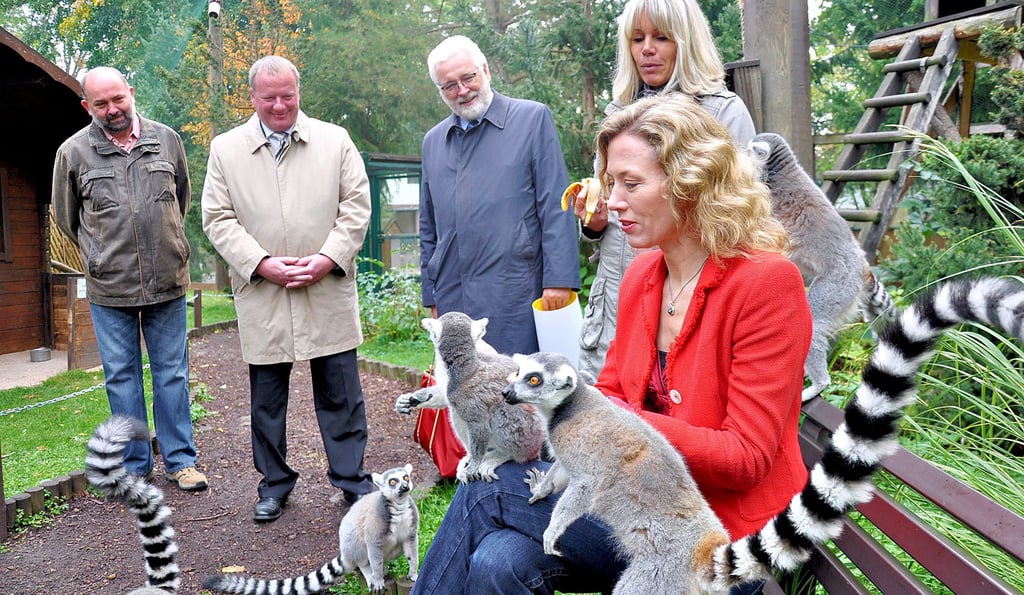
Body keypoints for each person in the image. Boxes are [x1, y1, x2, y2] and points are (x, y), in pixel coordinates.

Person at [412, 95, 812, 595]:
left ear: (691, 184)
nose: (612, 201)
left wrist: (609, 419)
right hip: (636, 508)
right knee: (498, 561)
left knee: (483, 498)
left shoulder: (766, 283)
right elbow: (606, 392)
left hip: (721, 542)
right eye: (611, 182)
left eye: (631, 183)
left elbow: (746, 458)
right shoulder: (645, 272)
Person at [201, 55, 373, 522]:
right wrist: (260, 263)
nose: (280, 105)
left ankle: (352, 479)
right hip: (264, 290)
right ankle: (274, 484)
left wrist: (327, 259)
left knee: (341, 392)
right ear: (252, 97)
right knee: (267, 399)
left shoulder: (335, 141)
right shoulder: (226, 149)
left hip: (326, 286)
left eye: (288, 95)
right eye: (269, 97)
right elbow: (217, 218)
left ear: (299, 92)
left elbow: (356, 206)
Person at [573, 0, 757, 379]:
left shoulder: (721, 113)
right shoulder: (616, 114)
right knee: (602, 416)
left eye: (661, 37)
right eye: (637, 38)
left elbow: (742, 219)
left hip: (686, 297)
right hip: (615, 299)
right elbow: (609, 213)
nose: (647, 49)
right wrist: (594, 220)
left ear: (687, 41)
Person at [52, 67, 208, 492]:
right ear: (87, 106)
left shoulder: (166, 140)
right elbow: (67, 220)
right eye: (100, 103)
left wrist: (169, 243)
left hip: (167, 280)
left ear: (131, 94)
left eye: (118, 99)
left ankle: (181, 461)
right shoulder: (73, 153)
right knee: (121, 378)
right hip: (110, 287)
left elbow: (181, 197)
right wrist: (99, 255)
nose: (112, 109)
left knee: (172, 374)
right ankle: (137, 466)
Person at [420, 35, 580, 355]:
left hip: (518, 289)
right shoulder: (433, 142)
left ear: (487, 71)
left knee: (522, 393)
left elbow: (555, 205)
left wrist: (559, 280)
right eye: (449, 85)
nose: (462, 90)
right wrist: (432, 295)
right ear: (440, 91)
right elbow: (428, 226)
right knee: (468, 395)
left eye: (468, 77)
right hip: (454, 297)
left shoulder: (532, 120)